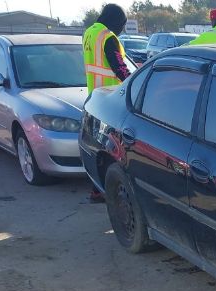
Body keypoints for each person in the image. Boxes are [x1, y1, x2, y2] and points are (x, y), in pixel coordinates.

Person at [83, 4, 131, 202]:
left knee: (96, 145)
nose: (121, 29)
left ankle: (96, 189)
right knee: (112, 148)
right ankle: (106, 190)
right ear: (114, 21)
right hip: (111, 99)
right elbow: (119, 67)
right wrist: (133, 83)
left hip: (94, 96)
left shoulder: (90, 33)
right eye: (121, 25)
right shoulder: (108, 37)